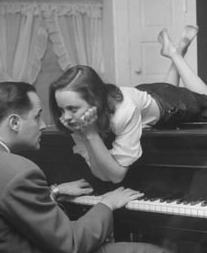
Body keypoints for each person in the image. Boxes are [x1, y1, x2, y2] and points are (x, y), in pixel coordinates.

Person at [0, 81, 179, 253]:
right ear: (14, 122)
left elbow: (1, 209)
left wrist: (53, 192)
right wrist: (107, 203)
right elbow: (72, 243)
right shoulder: (18, 171)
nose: (43, 125)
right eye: (37, 116)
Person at [49, 25, 207, 184]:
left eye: (72, 109)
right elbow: (101, 173)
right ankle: (175, 52)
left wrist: (89, 134)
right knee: (165, 93)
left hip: (168, 104)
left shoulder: (124, 112)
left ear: (94, 100)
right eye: (61, 110)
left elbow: (116, 176)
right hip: (144, 95)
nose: (66, 117)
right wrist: (85, 133)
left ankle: (175, 52)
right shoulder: (79, 121)